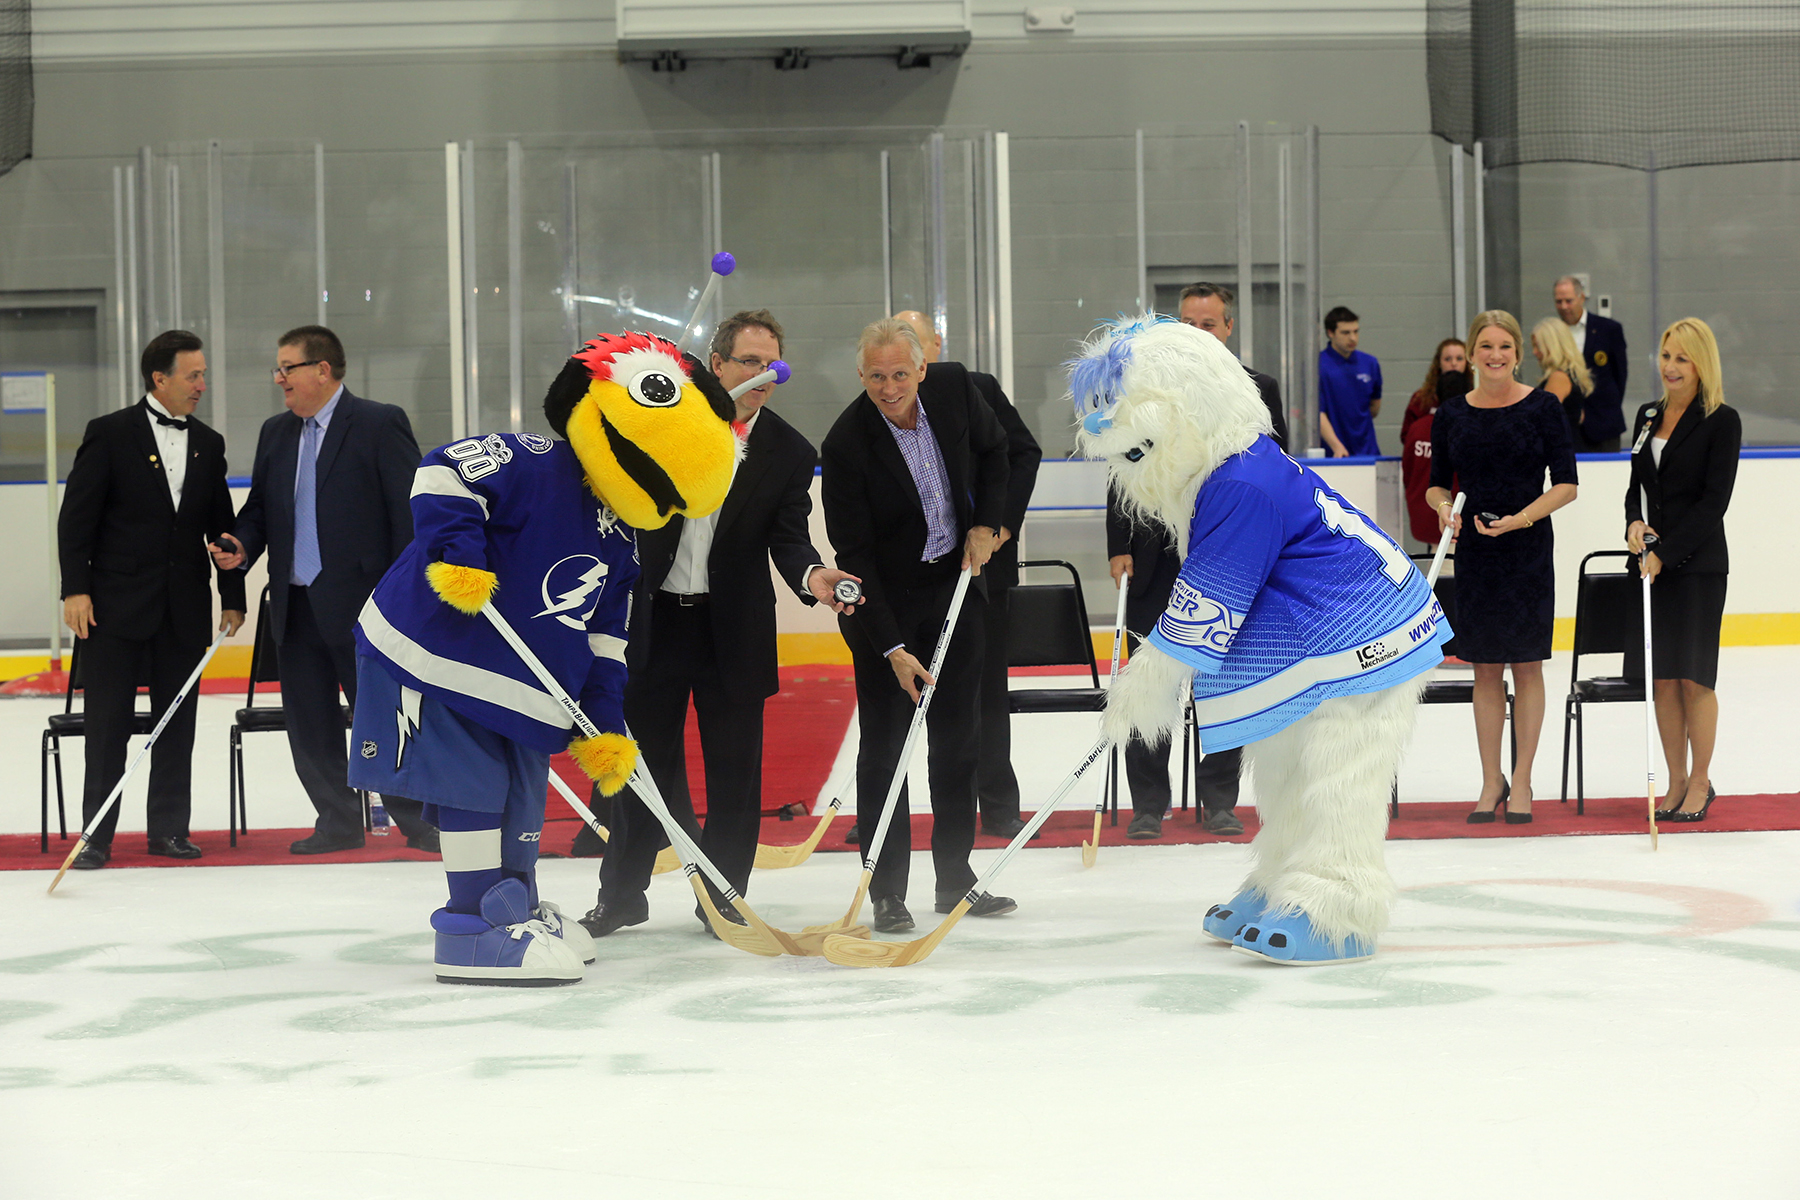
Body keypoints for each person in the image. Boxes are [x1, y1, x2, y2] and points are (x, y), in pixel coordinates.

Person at [348, 331, 739, 985]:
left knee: (524, 793)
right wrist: (459, 557)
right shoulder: (531, 461)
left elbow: (606, 642)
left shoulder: (623, 541)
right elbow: (443, 471)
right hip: (434, 653)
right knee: (472, 785)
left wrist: (604, 724)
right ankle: (471, 924)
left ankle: (514, 904)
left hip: (522, 682)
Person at [583, 310, 862, 938]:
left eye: (771, 365)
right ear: (716, 365)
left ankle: (724, 897)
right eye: (748, 362)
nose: (761, 376)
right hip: (655, 623)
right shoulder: (666, 420)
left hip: (732, 628)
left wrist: (813, 575)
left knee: (735, 774)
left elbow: (789, 538)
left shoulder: (789, 451)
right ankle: (622, 896)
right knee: (638, 770)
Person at [210, 326, 438, 854]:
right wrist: (242, 546)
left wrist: (407, 598)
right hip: (295, 605)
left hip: (368, 608)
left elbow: (408, 516)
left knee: (384, 717)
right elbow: (261, 510)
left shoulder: (378, 423)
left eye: (287, 367)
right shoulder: (276, 433)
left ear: (323, 369)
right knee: (310, 724)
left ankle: (419, 820)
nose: (279, 378)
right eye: (278, 368)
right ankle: (337, 821)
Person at [820, 317, 1015, 933]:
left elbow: (998, 452)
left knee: (958, 743)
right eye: (876, 376)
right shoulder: (845, 444)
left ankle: (955, 876)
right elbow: (855, 558)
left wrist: (987, 524)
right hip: (887, 610)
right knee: (886, 752)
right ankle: (887, 891)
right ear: (861, 375)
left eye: (900, 373)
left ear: (922, 369)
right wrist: (893, 649)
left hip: (955, 592)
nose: (889, 387)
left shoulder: (955, 389)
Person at [57, 330, 245, 868]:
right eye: (193, 375)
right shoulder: (110, 433)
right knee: (107, 726)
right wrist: (75, 589)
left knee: (176, 724)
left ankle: (168, 829)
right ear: (160, 379)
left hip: (183, 608)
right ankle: (95, 837)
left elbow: (222, 527)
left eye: (203, 374)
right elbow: (76, 521)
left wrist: (232, 596)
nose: (202, 384)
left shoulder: (209, 442)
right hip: (113, 608)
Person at [1109, 282, 1289, 840]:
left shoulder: (1258, 389)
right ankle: (1147, 804)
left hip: (1226, 554)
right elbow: (1120, 466)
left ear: (1228, 329)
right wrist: (1118, 544)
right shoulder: (1143, 388)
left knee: (1222, 675)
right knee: (1150, 676)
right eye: (1187, 322)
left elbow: (1274, 470)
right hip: (1153, 557)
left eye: (1207, 323)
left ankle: (1219, 800)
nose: (1196, 332)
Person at [892, 309, 1042, 839]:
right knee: (898, 696)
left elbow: (1022, 453)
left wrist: (999, 527)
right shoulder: (880, 407)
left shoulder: (974, 388)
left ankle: (998, 806)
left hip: (982, 573)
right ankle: (885, 811)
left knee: (984, 691)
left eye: (914, 343)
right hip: (909, 581)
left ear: (934, 346)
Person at [1426, 311, 1579, 825]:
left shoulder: (1544, 407)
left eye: (1505, 346)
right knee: (1485, 668)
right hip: (1476, 554)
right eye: (1486, 346)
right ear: (1472, 353)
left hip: (1527, 550)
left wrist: (1521, 519)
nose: (1495, 355)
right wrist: (1443, 508)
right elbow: (1436, 483)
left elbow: (1567, 484)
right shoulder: (1451, 413)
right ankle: (1492, 779)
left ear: (1518, 353)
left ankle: (1524, 779)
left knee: (1527, 665)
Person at [1625, 318, 1740, 823]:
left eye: (1682, 359)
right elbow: (1636, 486)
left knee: (1695, 679)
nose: (1670, 367)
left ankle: (1700, 780)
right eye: (1666, 355)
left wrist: (1666, 553)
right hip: (1652, 566)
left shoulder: (1722, 421)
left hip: (1697, 568)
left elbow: (1714, 503)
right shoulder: (1647, 415)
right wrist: (1633, 523)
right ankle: (1675, 779)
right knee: (1665, 680)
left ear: (1701, 364)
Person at [1400, 338, 1467, 545]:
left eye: (1459, 358)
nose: (1454, 364)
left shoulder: (1479, 399)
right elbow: (1408, 441)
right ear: (1438, 363)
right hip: (1432, 489)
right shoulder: (1421, 401)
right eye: (1448, 359)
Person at [1554, 275, 1629, 451]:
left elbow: (1620, 375)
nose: (1564, 306)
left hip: (1604, 423)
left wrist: (1607, 408)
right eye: (1558, 302)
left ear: (1581, 298)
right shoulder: (1553, 333)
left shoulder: (1608, 329)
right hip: (1568, 428)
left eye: (1568, 300)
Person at [1317, 305, 1382, 457]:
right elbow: (1316, 414)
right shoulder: (1317, 365)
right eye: (1345, 333)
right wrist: (1337, 446)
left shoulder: (1370, 363)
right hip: (1334, 453)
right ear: (1330, 333)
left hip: (1368, 451)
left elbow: (1374, 407)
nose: (1353, 338)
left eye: (1356, 331)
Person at [1530, 317, 1595, 444]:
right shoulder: (1571, 375)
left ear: (1552, 347)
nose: (1534, 352)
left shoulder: (1558, 378)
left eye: (1538, 346)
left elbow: (1543, 418)